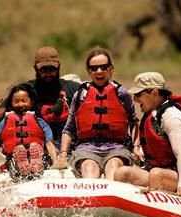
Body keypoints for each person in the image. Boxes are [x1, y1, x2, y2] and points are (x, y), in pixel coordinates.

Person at [113, 72, 181, 198]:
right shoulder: (153, 114)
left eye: (139, 95)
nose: (134, 99)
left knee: (157, 175)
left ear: (154, 93)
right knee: (122, 173)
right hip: (160, 171)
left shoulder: (172, 117)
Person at [56, 47, 138, 180]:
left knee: (113, 167)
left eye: (103, 67)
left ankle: (112, 195)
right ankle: (91, 197)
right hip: (86, 149)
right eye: (94, 68)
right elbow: (69, 128)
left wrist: (136, 147)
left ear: (111, 69)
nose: (99, 71)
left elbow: (134, 122)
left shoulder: (122, 93)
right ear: (89, 71)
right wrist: (63, 153)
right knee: (89, 167)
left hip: (116, 148)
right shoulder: (81, 94)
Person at [0, 46, 80, 145]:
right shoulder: (25, 91)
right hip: (34, 146)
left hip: (68, 145)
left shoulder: (72, 89)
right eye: (43, 70)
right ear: (35, 68)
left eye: (52, 69)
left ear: (59, 67)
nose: (48, 74)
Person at [0, 83, 58, 179]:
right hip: (12, 156)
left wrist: (55, 160)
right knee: (18, 152)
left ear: (31, 102)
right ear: (11, 103)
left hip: (37, 153)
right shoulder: (6, 119)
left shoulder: (37, 119)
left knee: (34, 148)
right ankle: (21, 163)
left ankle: (36, 162)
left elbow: (49, 141)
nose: (20, 104)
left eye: (24, 101)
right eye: (16, 101)